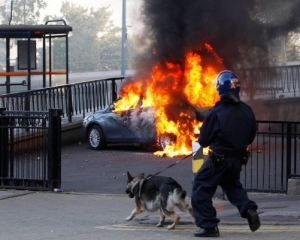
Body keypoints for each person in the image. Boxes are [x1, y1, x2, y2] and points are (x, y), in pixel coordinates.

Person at [191, 70, 260, 237]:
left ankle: (208, 226)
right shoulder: (247, 110)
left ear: (220, 89)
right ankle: (249, 209)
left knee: (200, 188)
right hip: (237, 160)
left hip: (218, 161)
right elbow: (251, 135)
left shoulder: (216, 113)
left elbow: (204, 140)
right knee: (232, 186)